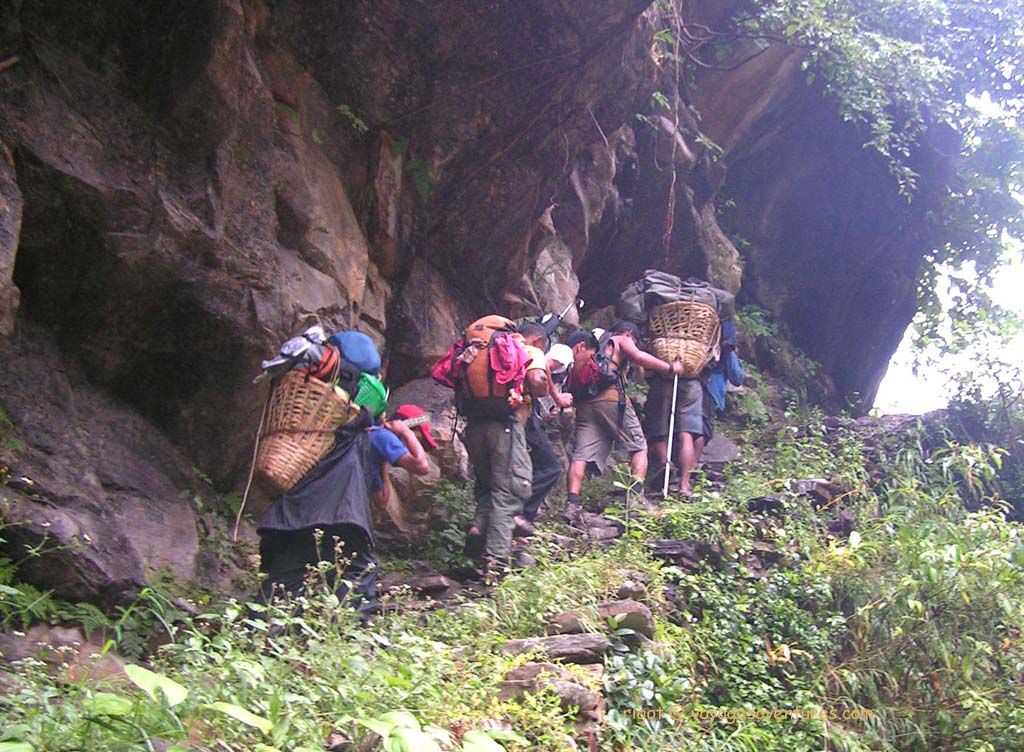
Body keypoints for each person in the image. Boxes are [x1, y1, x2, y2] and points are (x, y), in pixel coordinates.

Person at [256, 395, 431, 622]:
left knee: (286, 579)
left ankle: (258, 634)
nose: (412, 446)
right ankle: (345, 633)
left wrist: (384, 462)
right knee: (359, 572)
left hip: (297, 512)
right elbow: (422, 466)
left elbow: (381, 499)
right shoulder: (382, 436)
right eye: (416, 438)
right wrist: (405, 433)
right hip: (339, 515)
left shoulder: (358, 440)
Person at [564, 322, 683, 516]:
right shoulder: (620, 339)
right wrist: (670, 368)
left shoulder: (596, 344)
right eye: (635, 339)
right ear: (629, 333)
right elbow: (638, 356)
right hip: (610, 399)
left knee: (581, 455)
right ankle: (635, 498)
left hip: (585, 404)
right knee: (639, 447)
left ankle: (572, 503)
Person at [460, 317, 548, 577]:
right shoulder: (525, 348)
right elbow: (537, 378)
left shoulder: (476, 349)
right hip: (504, 427)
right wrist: (542, 390)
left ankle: (477, 528)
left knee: (488, 487)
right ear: (537, 339)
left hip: (475, 426)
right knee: (508, 493)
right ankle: (496, 564)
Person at [645, 277, 735, 497]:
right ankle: (684, 486)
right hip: (693, 381)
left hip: (663, 376)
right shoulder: (708, 316)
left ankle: (667, 466)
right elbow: (722, 349)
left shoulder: (663, 309)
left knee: (658, 430)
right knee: (687, 433)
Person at [514, 323, 574, 534]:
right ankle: (520, 515)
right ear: (538, 341)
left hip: (490, 418)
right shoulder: (532, 352)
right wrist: (556, 397)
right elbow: (538, 377)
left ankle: (482, 531)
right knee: (551, 468)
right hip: (520, 417)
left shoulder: (505, 349)